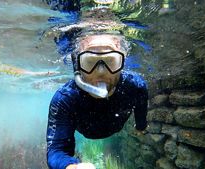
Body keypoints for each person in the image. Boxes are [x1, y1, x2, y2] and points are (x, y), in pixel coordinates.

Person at [46, 33, 148, 169]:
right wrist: (71, 167)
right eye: (89, 62)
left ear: (121, 63)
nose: (101, 72)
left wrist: (140, 127)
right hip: (88, 131)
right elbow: (56, 151)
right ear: (78, 65)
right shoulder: (66, 99)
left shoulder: (135, 86)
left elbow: (141, 111)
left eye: (111, 61)